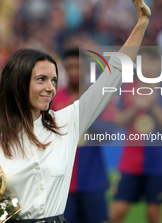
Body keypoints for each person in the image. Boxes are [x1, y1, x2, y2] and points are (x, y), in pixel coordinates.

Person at [0, 0, 151, 223]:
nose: (51, 88)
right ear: (19, 83)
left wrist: (141, 23)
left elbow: (114, 75)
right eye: (42, 79)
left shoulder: (67, 123)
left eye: (54, 80)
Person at [109, 49, 162, 223]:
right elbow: (116, 122)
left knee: (153, 215)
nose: (147, 67)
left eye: (152, 62)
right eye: (144, 62)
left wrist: (154, 105)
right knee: (117, 212)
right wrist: (135, 106)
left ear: (159, 65)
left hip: (156, 161)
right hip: (129, 161)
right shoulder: (127, 87)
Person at [51, 48, 116, 223]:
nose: (73, 72)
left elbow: (108, 134)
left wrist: (83, 112)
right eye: (69, 67)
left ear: (86, 69)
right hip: (61, 184)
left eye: (77, 67)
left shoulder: (98, 96)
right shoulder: (52, 98)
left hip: (93, 180)